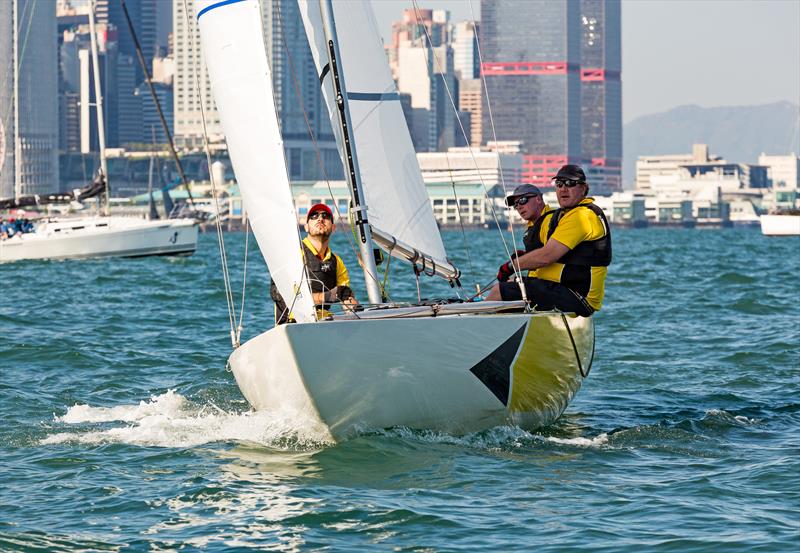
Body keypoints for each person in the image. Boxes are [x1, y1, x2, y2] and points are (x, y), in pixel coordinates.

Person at [486, 164, 611, 317]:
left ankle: (472, 332)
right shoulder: (566, 215)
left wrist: (511, 266)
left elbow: (546, 256)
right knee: (510, 288)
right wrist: (527, 257)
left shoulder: (581, 217)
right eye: (559, 184)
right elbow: (557, 252)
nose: (563, 189)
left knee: (499, 290)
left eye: (570, 183)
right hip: (567, 292)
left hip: (577, 298)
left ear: (584, 188)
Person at [270, 203, 359, 324]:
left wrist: (356, 311)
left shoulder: (337, 262)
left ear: (333, 228)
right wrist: (326, 297)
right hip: (293, 325)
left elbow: (345, 296)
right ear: (306, 227)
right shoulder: (292, 254)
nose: (320, 218)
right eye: (313, 216)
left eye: (326, 216)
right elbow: (280, 294)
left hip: (325, 323)